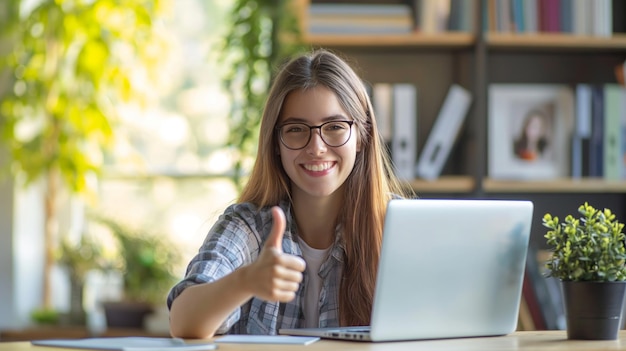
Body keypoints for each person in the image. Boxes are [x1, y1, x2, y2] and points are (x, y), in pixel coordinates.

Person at [167, 49, 410, 338]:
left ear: (361, 136)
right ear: (276, 144)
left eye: (334, 127)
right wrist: (245, 281)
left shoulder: (400, 227)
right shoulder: (250, 227)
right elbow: (182, 322)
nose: (316, 147)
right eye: (296, 129)